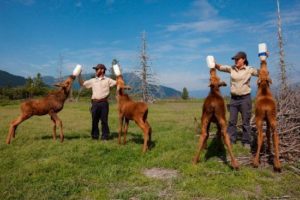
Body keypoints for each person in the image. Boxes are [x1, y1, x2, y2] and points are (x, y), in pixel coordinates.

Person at [215, 51, 258, 149]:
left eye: (237, 59)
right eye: (235, 59)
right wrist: (214, 63)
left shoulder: (249, 69)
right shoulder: (231, 68)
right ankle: (231, 140)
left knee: (246, 121)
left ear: (243, 59)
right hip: (234, 99)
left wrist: (263, 59)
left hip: (245, 99)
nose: (236, 61)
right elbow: (220, 67)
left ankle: (246, 141)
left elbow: (262, 73)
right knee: (232, 121)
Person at [78, 64, 116, 140]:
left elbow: (118, 82)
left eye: (97, 69)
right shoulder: (93, 80)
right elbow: (83, 84)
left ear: (102, 70)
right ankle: (95, 136)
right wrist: (79, 75)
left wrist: (118, 75)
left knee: (104, 121)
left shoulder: (108, 80)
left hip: (104, 103)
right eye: (95, 70)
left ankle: (105, 136)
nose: (95, 71)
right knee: (94, 120)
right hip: (95, 103)